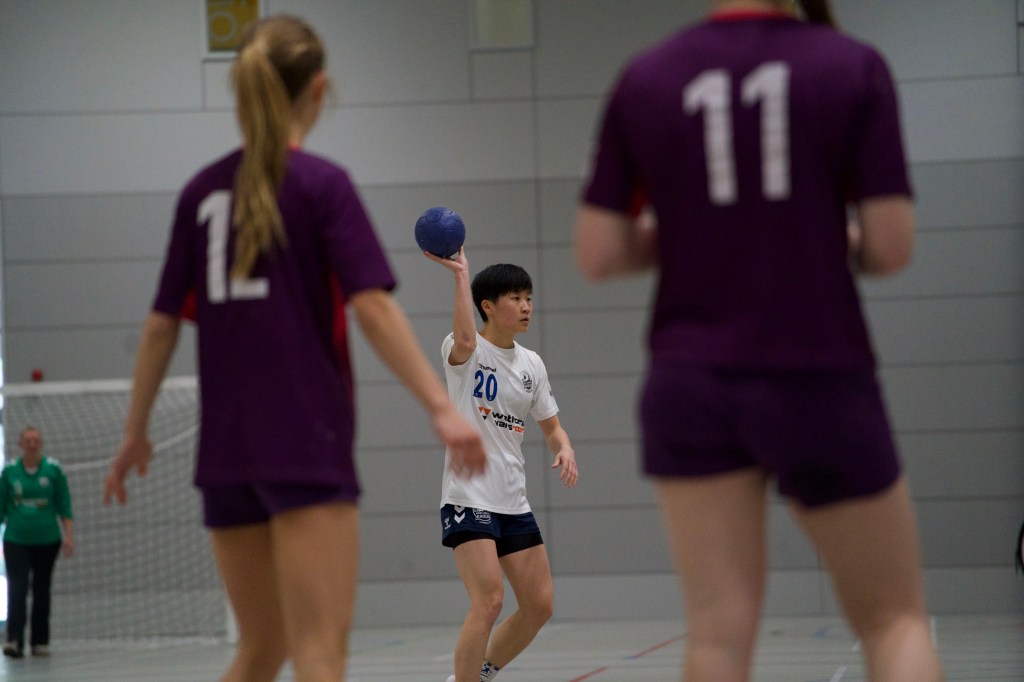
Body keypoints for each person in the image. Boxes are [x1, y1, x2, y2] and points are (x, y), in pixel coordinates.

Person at [102, 15, 486, 682]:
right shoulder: (321, 186)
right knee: (318, 652)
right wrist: (438, 405)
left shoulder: (200, 193)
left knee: (261, 649)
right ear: (318, 90)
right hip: (304, 440)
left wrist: (135, 431)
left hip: (225, 453)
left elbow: (162, 325)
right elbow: (372, 308)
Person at [575, 1, 944, 680]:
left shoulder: (647, 76)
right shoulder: (851, 66)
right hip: (819, 373)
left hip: (689, 381)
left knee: (717, 637)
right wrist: (823, 238)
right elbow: (891, 248)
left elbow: (597, 253)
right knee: (895, 620)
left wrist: (689, 234)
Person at [424, 250, 578, 682]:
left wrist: (564, 447)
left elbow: (553, 427)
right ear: (488, 306)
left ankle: (479, 673)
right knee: (489, 601)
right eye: (516, 298)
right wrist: (461, 276)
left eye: (529, 297)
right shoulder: (464, 350)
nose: (527, 306)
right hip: (469, 495)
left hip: (512, 499)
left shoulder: (532, 365)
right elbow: (466, 340)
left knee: (539, 605)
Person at [0, 426, 74, 658]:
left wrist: (68, 536)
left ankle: (40, 641)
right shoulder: (10, 472)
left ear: (41, 443)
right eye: (28, 440)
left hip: (47, 539)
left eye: (35, 440)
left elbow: (64, 504)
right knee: (17, 587)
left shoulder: (53, 470)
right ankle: (14, 639)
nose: (32, 444)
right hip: (16, 539)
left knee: (42, 589)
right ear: (20, 444)